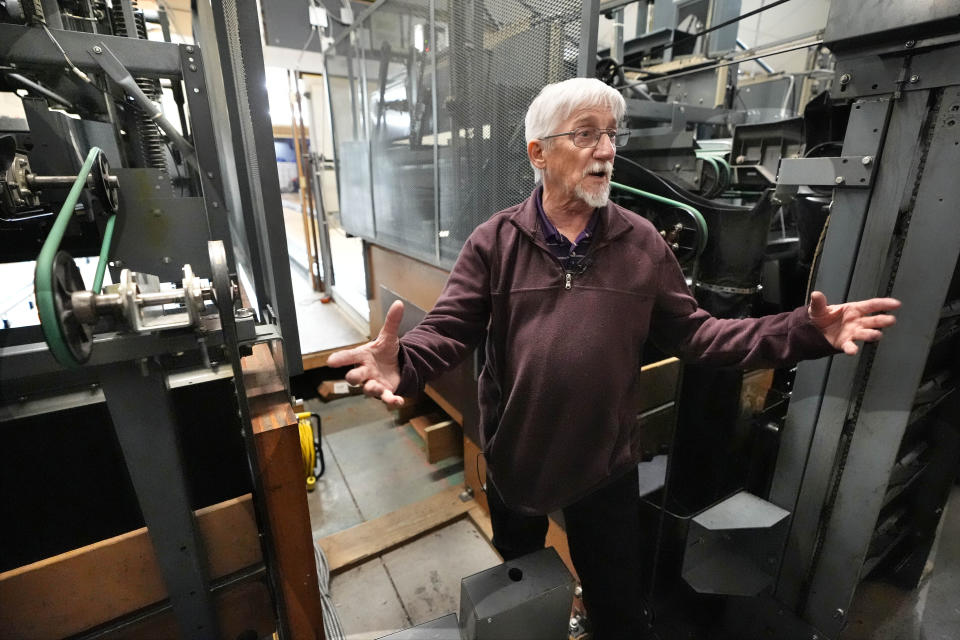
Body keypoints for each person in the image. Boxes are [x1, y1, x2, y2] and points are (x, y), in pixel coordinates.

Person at [327, 77, 900, 638]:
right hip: (519, 460)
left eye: (611, 134)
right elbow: (450, 330)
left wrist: (803, 331)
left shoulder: (642, 243)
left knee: (618, 612)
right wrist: (405, 361)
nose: (606, 150)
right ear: (540, 153)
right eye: (585, 135)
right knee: (518, 601)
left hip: (606, 469)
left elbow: (703, 337)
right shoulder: (494, 242)